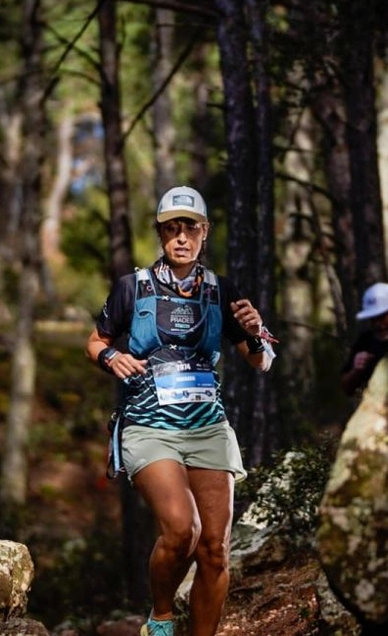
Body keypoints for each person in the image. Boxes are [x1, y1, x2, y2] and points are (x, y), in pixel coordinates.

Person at [85, 185, 275, 636]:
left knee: (214, 548)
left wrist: (254, 332)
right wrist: (112, 358)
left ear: (204, 232)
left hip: (207, 427)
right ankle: (162, 618)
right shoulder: (132, 288)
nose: (182, 237)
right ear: (161, 234)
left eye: (190, 227)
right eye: (172, 228)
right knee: (180, 528)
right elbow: (95, 342)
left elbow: (262, 360)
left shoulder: (222, 292)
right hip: (149, 427)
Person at [339, 282, 388, 396]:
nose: (378, 324)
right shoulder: (365, 342)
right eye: (373, 319)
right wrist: (357, 370)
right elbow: (346, 388)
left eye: (382, 316)